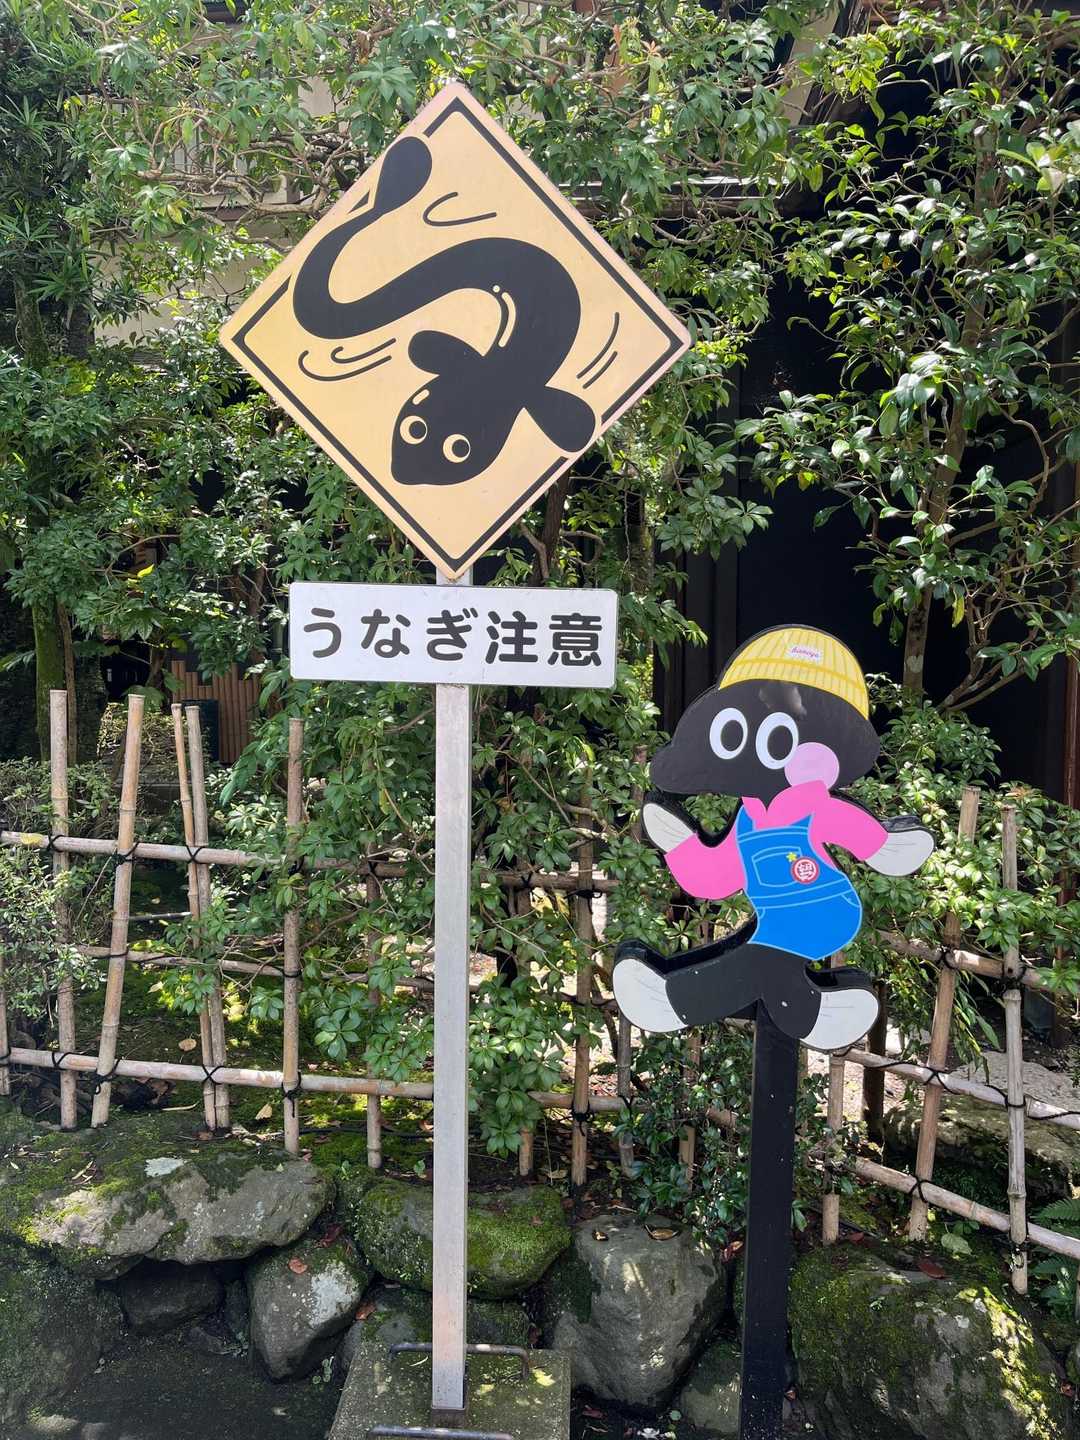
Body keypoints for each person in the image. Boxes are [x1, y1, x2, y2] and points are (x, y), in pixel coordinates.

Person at [613, 625, 935, 1051]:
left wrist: (892, 848)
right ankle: (817, 1015)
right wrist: (682, 844)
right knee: (769, 968)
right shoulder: (748, 820)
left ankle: (673, 1002)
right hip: (777, 922)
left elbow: (865, 835)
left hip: (825, 910)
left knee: (757, 963)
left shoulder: (815, 807)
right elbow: (718, 878)